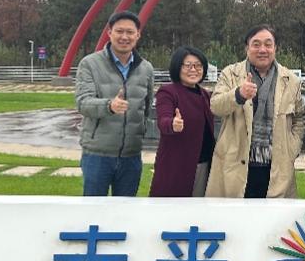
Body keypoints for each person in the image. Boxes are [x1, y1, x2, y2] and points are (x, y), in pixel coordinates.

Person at [207, 25, 305, 199]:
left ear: (275, 48)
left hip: (276, 167)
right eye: (256, 44)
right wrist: (238, 94)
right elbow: (215, 106)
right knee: (235, 215)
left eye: (268, 44)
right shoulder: (230, 74)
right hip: (236, 165)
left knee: (274, 216)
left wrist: (293, 147)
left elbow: (300, 117)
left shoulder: (291, 80)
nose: (262, 50)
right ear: (247, 48)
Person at [74, 10, 154, 196]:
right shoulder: (90, 64)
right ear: (109, 33)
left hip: (131, 155)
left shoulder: (146, 68)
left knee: (125, 209)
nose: (124, 37)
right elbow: (83, 102)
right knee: (94, 208)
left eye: (130, 32)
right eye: (119, 31)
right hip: (97, 154)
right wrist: (109, 106)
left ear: (138, 35)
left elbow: (147, 107)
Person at [149, 46, 215, 197]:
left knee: (199, 209)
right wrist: (172, 124)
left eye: (198, 65)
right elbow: (163, 120)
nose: (193, 70)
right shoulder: (168, 92)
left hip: (203, 164)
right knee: (173, 208)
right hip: (176, 165)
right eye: (188, 65)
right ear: (177, 67)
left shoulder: (205, 94)